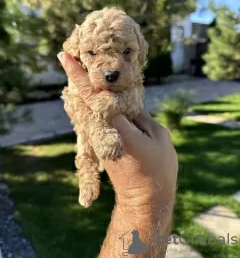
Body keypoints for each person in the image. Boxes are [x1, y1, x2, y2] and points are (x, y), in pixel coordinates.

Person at [57, 52, 178, 257]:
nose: (112, 65)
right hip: (92, 129)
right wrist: (144, 199)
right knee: (85, 150)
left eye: (126, 52)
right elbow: (72, 102)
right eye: (93, 53)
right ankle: (87, 179)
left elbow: (134, 99)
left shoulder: (131, 78)